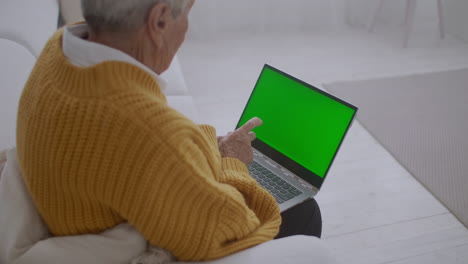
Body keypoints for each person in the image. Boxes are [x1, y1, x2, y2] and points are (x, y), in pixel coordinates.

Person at [16, 0, 321, 261]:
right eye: (187, 13)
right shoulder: (147, 131)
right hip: (126, 238)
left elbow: (151, 148)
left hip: (79, 198)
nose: (187, 28)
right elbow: (232, 226)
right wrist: (232, 161)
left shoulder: (55, 51)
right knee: (306, 211)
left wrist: (201, 146)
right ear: (159, 20)